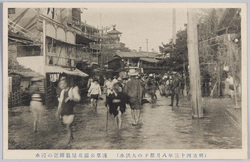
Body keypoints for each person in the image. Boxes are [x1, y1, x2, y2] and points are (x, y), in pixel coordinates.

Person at [55, 77, 81, 144]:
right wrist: (58, 111)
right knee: (65, 125)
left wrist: (71, 98)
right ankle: (71, 136)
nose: (61, 85)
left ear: (66, 83)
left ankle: (68, 141)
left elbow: (78, 99)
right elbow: (60, 102)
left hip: (70, 111)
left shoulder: (72, 90)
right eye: (60, 84)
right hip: (64, 111)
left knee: (68, 125)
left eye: (63, 83)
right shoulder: (62, 91)